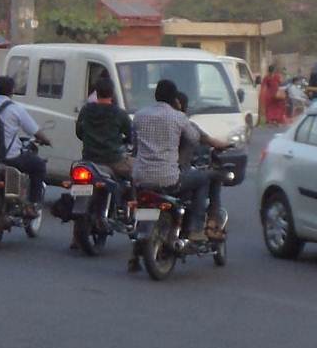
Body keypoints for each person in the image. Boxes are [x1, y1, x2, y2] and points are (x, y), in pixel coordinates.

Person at [130, 79, 232, 268]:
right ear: (175, 99)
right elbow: (195, 139)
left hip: (140, 178)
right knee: (203, 178)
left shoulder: (139, 116)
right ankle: (195, 228)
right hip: (169, 178)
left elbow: (134, 144)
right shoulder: (178, 118)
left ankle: (136, 253)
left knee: (143, 209)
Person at [74, 75, 133, 238]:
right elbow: (130, 136)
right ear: (112, 93)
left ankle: (75, 237)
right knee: (136, 175)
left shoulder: (86, 110)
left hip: (88, 159)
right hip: (113, 160)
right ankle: (128, 209)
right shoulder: (120, 114)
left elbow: (79, 132)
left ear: (96, 92)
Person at [0, 76, 49, 209]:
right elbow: (34, 131)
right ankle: (32, 204)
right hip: (10, 157)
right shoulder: (16, 109)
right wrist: (46, 140)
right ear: (12, 91)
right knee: (39, 165)